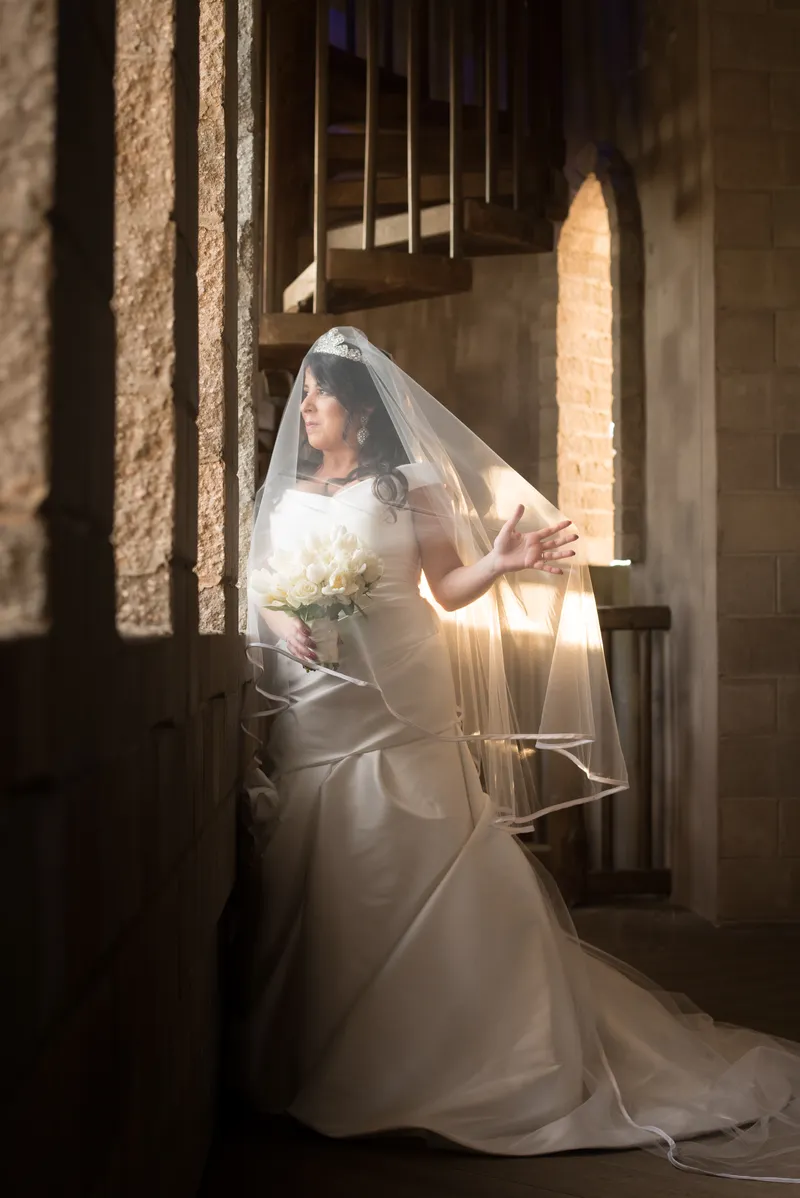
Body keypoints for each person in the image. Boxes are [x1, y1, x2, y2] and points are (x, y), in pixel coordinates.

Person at [233, 326, 800, 1183]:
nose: (303, 407)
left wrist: (500, 561)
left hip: (406, 700)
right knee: (325, 865)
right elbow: (263, 590)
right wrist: (289, 627)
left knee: (419, 859)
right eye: (303, 393)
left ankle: (459, 1064)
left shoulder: (409, 482)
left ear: (361, 404)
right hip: (321, 704)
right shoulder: (284, 495)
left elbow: (445, 586)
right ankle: (331, 1056)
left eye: (318, 392)